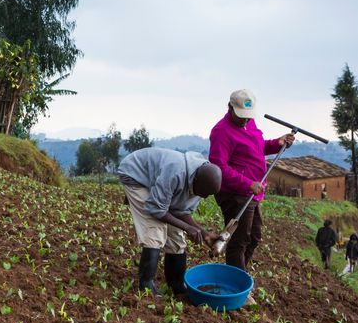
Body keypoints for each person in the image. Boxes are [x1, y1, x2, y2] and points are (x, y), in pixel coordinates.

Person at [208, 89, 296, 271]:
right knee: (239, 241)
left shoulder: (249, 123)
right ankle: (237, 282)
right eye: (242, 116)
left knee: (254, 238)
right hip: (235, 194)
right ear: (230, 107)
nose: (245, 120)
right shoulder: (221, 132)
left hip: (252, 192)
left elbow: (256, 148)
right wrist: (247, 183)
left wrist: (276, 143)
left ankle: (238, 275)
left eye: (248, 116)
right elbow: (218, 168)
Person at [117, 147, 224, 296]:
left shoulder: (202, 185)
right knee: (155, 230)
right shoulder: (175, 172)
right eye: (204, 193)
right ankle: (146, 286)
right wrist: (187, 227)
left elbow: (181, 211)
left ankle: (176, 285)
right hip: (135, 175)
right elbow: (156, 209)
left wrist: (204, 233)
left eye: (208, 195)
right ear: (195, 180)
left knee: (177, 238)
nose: (204, 197)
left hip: (157, 181)